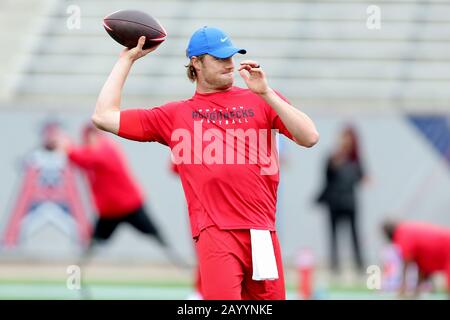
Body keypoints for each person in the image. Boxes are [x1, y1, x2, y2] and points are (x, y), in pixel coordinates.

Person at [92, 26, 319, 300]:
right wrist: (125, 61)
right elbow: (104, 116)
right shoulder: (176, 114)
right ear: (196, 63)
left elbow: (309, 137)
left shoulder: (260, 98)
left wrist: (267, 93)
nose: (230, 64)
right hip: (217, 234)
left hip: (262, 231)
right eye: (220, 58)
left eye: (231, 57)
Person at [57, 123, 185, 268]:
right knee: (94, 241)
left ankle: (179, 264)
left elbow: (88, 158)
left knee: (156, 234)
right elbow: (82, 159)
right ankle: (78, 271)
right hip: (109, 211)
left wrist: (68, 148)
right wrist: (68, 149)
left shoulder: (107, 148)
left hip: (130, 205)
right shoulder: (89, 151)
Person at [315, 125, 365, 274]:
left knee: (354, 234)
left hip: (349, 202)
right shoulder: (333, 158)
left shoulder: (354, 160)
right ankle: (334, 265)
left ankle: (359, 265)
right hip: (334, 202)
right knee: (333, 235)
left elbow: (360, 176)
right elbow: (326, 177)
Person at [382, 219, 450, 298]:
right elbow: (422, 268)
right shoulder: (406, 230)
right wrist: (416, 292)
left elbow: (406, 261)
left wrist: (403, 287)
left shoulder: (402, 233)